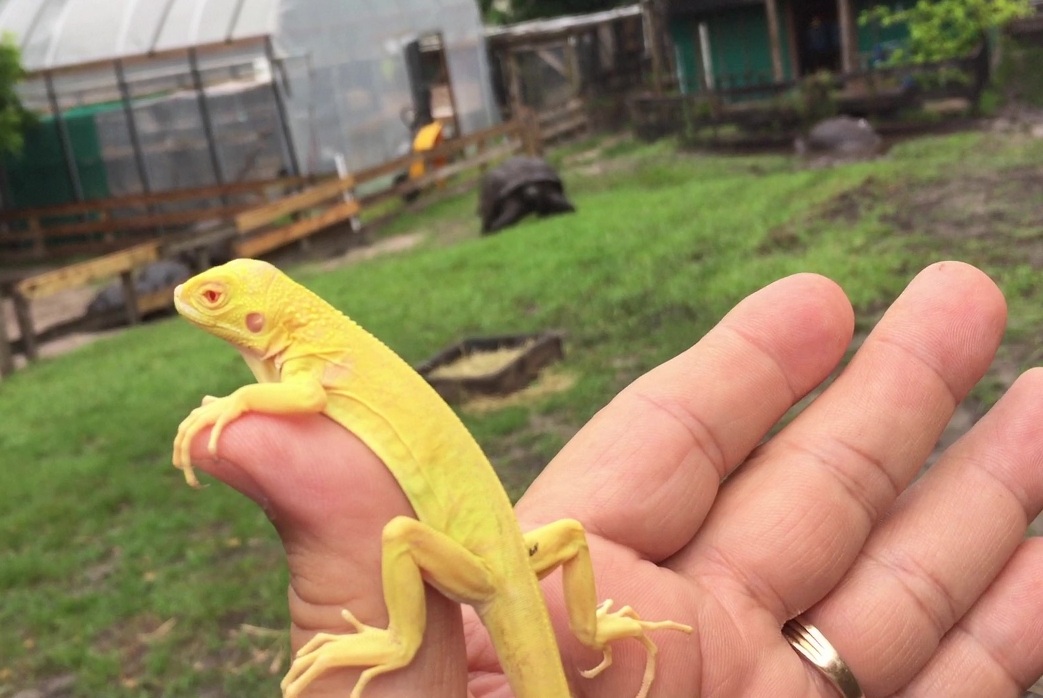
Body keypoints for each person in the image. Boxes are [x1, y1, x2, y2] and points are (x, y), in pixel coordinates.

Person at [187, 261, 1043, 698]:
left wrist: (231, 400)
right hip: (517, 561)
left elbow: (296, 396)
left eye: (217, 299)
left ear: (263, 319)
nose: (199, 301)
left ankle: (403, 642)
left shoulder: (305, 369)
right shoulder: (320, 352)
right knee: (557, 536)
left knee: (402, 536)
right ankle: (593, 630)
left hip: (485, 572)